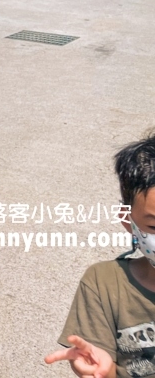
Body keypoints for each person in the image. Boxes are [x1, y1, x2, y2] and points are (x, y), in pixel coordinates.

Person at [46, 134, 155, 378]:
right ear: (128, 220)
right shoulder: (103, 283)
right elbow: (96, 359)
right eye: (154, 227)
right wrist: (103, 372)